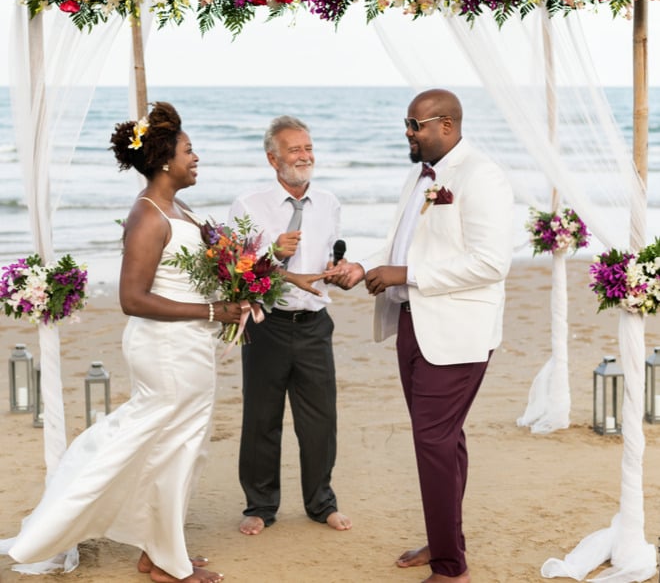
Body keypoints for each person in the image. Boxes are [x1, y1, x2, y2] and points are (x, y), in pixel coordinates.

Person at [1, 102, 245, 583]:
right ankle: (163, 563)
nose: (196, 158)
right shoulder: (149, 216)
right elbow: (132, 298)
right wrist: (214, 311)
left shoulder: (183, 209)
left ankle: (159, 552)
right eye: (188, 150)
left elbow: (205, 269)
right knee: (167, 446)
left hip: (190, 344)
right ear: (163, 161)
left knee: (181, 449)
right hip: (167, 349)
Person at [329, 89, 514, 583]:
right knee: (445, 443)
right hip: (413, 323)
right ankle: (443, 540)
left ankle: (451, 568)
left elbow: (491, 263)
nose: (408, 134)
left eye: (416, 125)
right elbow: (401, 243)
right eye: (406, 125)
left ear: (446, 126)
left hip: (457, 332)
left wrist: (404, 273)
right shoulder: (419, 175)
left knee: (433, 442)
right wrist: (366, 266)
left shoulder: (482, 176)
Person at [227, 115, 352, 536]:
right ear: (272, 158)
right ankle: (260, 506)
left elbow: (326, 261)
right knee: (261, 419)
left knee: (320, 420)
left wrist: (337, 271)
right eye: (295, 150)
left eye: (308, 148)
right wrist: (274, 254)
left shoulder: (330, 202)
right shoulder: (248, 206)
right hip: (267, 325)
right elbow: (236, 275)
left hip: (315, 323)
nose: (305, 156)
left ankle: (322, 504)